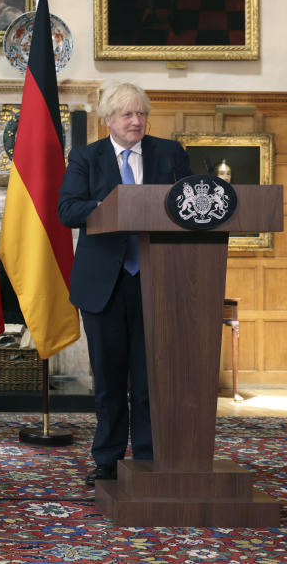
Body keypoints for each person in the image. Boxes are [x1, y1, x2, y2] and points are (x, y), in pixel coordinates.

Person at [57, 83, 191, 486]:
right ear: (108, 120)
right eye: (128, 115)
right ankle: (108, 460)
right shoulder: (86, 157)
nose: (137, 121)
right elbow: (67, 209)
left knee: (150, 378)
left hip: (157, 280)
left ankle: (148, 458)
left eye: (141, 114)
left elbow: (190, 206)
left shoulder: (170, 154)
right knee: (110, 379)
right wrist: (107, 207)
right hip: (105, 284)